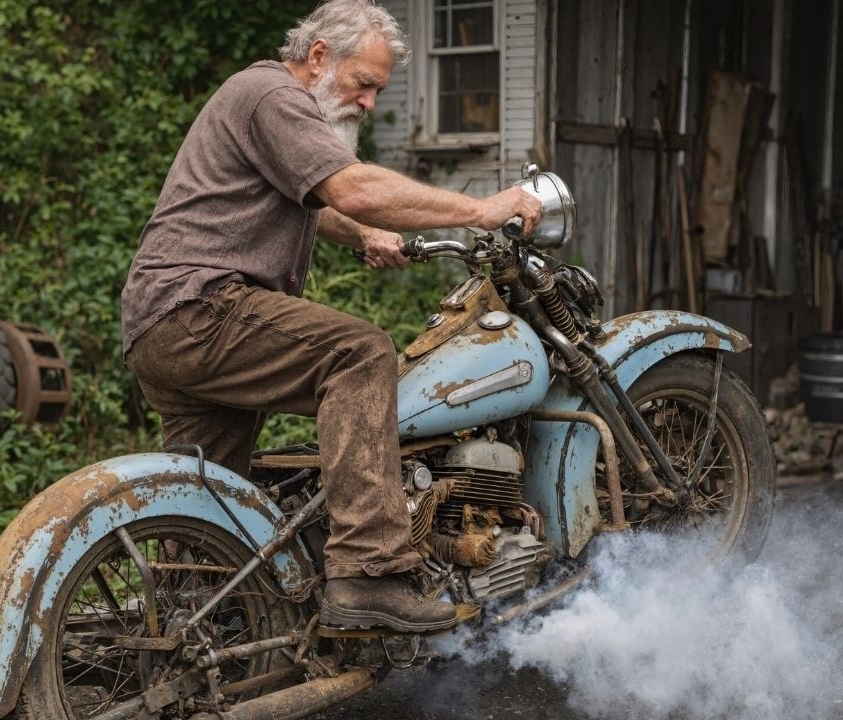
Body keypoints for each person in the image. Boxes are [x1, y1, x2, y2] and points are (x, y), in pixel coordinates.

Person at [121, 0, 542, 633]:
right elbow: (351, 187)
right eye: (364, 84)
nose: (370, 103)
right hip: (201, 308)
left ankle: (191, 622)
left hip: (163, 324)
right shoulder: (272, 96)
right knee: (361, 351)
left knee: (211, 496)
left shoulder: (260, 101)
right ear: (319, 56)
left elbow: (320, 203)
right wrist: (478, 210)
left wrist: (365, 235)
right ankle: (369, 571)